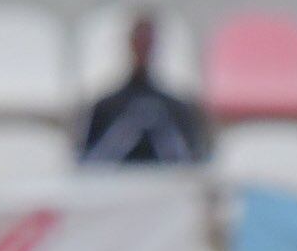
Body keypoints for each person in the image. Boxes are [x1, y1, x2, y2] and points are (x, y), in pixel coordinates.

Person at [76, 11, 210, 167]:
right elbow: (89, 162)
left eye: (147, 41)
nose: (143, 46)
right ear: (130, 43)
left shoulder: (179, 110)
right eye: (139, 40)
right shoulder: (104, 108)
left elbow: (192, 162)